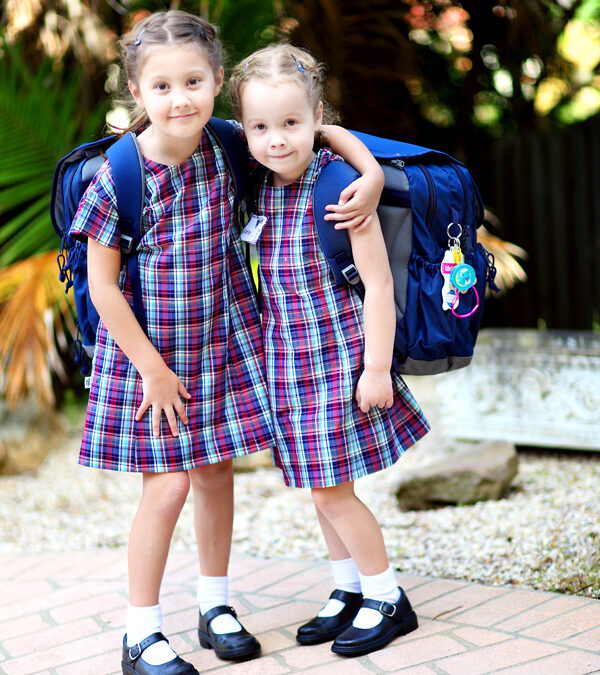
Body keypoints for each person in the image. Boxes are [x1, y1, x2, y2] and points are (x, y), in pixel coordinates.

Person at [70, 12, 387, 674]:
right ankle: (140, 631)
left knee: (215, 473)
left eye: (193, 80)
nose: (179, 97)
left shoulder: (228, 143)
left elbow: (312, 126)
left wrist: (371, 172)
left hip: (221, 338)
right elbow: (102, 290)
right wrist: (153, 371)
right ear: (136, 90)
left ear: (217, 79)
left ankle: (214, 603)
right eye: (162, 86)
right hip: (149, 355)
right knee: (167, 488)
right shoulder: (117, 176)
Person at [229, 44, 430, 658]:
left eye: (291, 123)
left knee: (331, 491)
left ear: (317, 116)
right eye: (261, 127)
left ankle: (387, 596)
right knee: (320, 482)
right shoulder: (263, 185)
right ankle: (348, 590)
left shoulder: (341, 190)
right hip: (290, 362)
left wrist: (376, 369)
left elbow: (378, 285)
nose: (277, 140)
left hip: (337, 360)